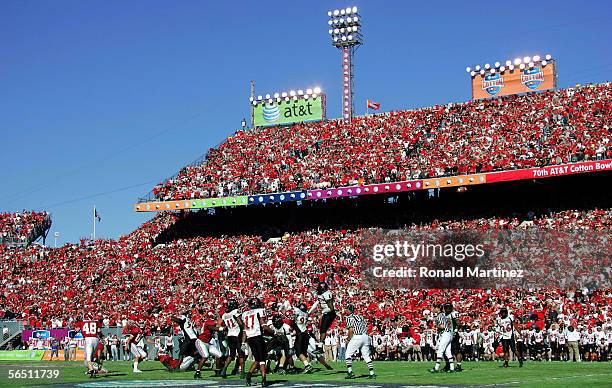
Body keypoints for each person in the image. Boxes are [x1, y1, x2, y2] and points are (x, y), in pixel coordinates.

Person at [241, 297, 269, 387]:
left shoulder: (245, 314)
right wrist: (275, 333)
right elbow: (264, 326)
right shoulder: (260, 311)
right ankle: (264, 380)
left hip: (250, 338)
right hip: (257, 336)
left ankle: (248, 376)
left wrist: (243, 342)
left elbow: (244, 329)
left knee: (257, 359)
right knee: (262, 359)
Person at [344, 304, 375, 379]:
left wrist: (348, 339)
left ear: (349, 310)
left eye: (346, 309)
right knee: (366, 356)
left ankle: (350, 372)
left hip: (357, 336)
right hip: (365, 336)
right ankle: (372, 373)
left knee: (347, 354)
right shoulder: (360, 317)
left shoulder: (349, 318)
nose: (345, 310)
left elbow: (351, 330)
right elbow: (365, 327)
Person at [308, 282, 336, 354]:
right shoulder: (321, 294)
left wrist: (321, 312)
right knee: (322, 329)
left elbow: (331, 308)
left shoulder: (327, 294)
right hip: (326, 312)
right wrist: (309, 312)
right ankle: (320, 347)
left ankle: (320, 348)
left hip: (330, 313)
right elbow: (317, 303)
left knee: (323, 329)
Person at [194, 311, 222, 379]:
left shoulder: (212, 321)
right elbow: (212, 328)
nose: (215, 315)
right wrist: (220, 328)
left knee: (219, 355)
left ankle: (217, 371)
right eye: (213, 314)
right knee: (205, 356)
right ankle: (197, 373)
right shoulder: (209, 321)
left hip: (208, 342)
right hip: (201, 342)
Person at [221, 299, 245, 378]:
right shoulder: (235, 312)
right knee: (241, 355)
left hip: (229, 335)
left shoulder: (224, 315)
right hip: (237, 334)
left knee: (231, 355)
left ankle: (224, 370)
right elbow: (240, 323)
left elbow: (225, 325)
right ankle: (242, 373)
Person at [429, 303, 455, 373]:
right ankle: (452, 368)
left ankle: (436, 368)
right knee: (448, 352)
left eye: (434, 308)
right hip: (449, 333)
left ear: (437, 308)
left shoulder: (440, 315)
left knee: (440, 351)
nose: (433, 310)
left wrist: (436, 326)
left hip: (445, 334)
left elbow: (442, 326)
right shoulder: (444, 314)